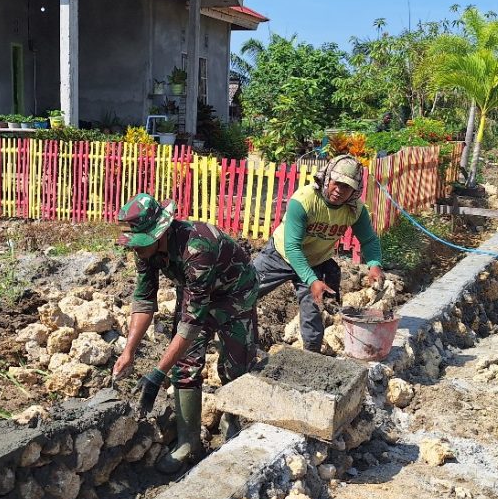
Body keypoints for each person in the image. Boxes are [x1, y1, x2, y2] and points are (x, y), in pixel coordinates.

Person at [111, 193, 259, 474]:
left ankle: (233, 425)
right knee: (185, 364)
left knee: (236, 365)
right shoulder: (147, 250)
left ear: (160, 232)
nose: (136, 250)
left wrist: (156, 374)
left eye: (140, 244)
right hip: (195, 292)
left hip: (234, 293)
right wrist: (129, 350)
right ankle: (189, 442)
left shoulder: (197, 247)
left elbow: (191, 325)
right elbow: (144, 300)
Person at [251, 154, 385, 352]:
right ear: (327, 178)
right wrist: (312, 280)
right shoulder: (304, 201)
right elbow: (293, 247)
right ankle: (245, 346)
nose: (339, 190)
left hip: (315, 260)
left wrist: (374, 264)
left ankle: (311, 356)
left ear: (355, 191)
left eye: (347, 187)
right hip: (280, 256)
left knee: (313, 311)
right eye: (336, 183)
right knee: (244, 290)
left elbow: (369, 240)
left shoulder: (355, 210)